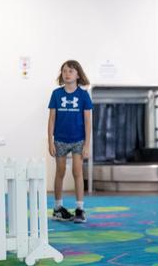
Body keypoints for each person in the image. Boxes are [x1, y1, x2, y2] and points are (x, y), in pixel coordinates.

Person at [47, 60, 92, 224]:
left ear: (78, 75)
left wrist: (87, 144)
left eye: (71, 71)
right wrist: (50, 141)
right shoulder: (56, 94)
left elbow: (88, 121)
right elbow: (52, 119)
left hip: (78, 140)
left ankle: (80, 209)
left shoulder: (83, 95)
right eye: (64, 71)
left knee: (77, 172)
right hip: (60, 140)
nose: (67, 74)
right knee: (60, 172)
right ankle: (58, 208)